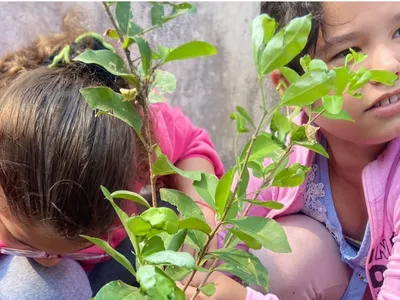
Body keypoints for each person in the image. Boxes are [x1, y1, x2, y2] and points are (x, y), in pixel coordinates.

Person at [184, 2, 400, 300]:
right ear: (290, 87)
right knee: (281, 260)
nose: (389, 65)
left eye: (399, 32)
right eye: (345, 54)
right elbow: (219, 238)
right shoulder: (282, 155)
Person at [0, 19, 224, 299]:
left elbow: (191, 143)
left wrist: (202, 212)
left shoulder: (141, 139)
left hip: (112, 263)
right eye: (22, 242)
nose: (49, 261)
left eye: (81, 243)